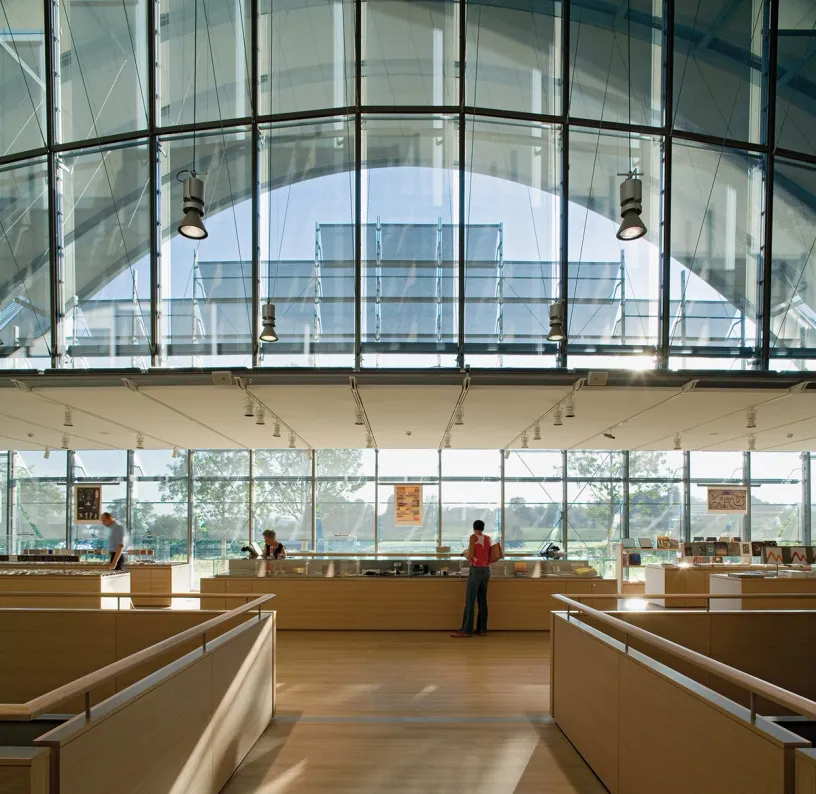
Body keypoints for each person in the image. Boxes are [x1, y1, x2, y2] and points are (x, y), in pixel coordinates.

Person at [451, 520, 491, 638]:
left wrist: (465, 553)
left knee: (470, 600)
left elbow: (471, 555)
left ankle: (466, 630)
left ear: (474, 527)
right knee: (482, 600)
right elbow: (487, 555)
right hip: (486, 570)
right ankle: (482, 629)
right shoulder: (488, 538)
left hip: (476, 570)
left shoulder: (473, 537)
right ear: (483, 528)